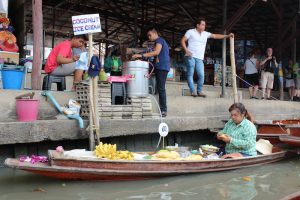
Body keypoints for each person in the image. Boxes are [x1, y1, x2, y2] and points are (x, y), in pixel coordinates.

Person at [181, 17, 234, 97]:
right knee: (190, 74)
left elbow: (215, 36)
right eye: (202, 24)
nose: (204, 26)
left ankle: (199, 91)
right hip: (190, 56)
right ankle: (193, 91)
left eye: (204, 25)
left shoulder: (205, 34)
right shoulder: (190, 32)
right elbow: (182, 41)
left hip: (199, 58)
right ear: (197, 25)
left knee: (201, 75)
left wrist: (227, 36)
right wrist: (186, 50)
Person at [132, 27, 170, 117]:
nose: (149, 37)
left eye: (150, 35)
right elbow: (154, 53)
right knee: (158, 86)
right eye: (148, 36)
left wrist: (141, 55)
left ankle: (163, 109)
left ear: (154, 33)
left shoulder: (159, 40)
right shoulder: (158, 42)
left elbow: (156, 52)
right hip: (159, 66)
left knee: (161, 88)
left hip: (162, 67)